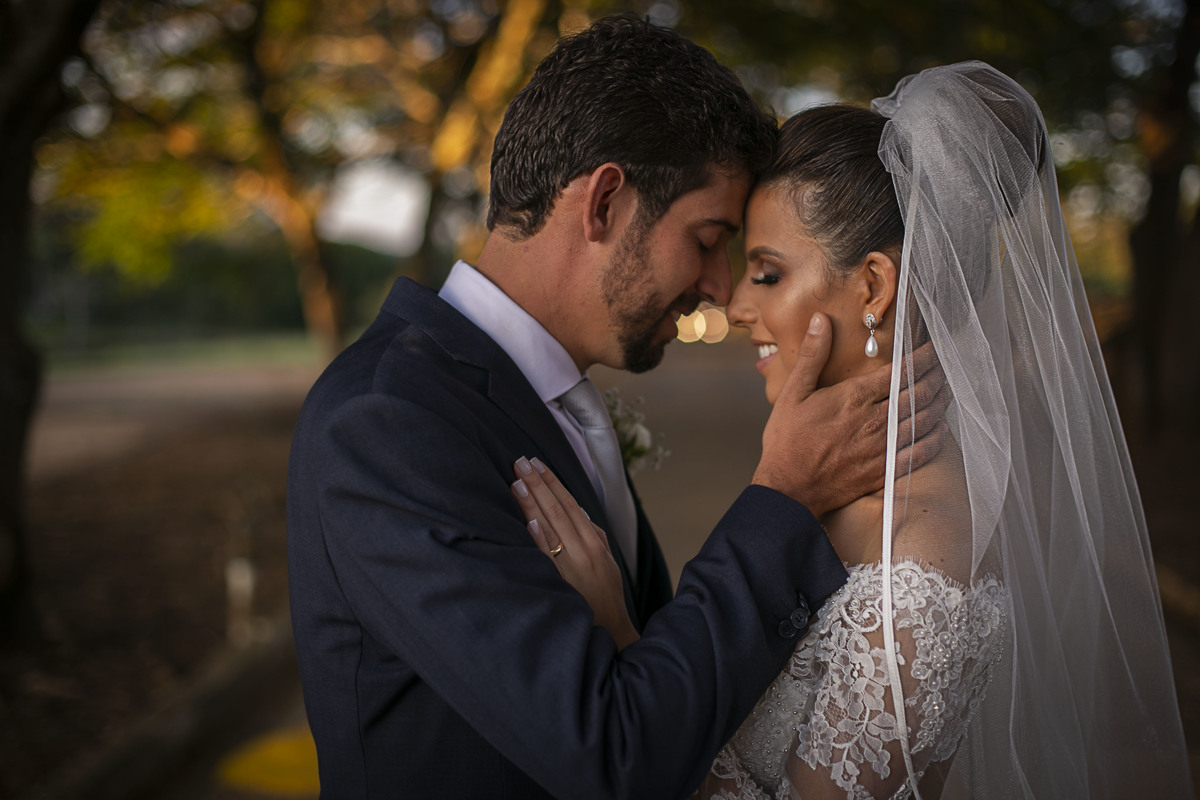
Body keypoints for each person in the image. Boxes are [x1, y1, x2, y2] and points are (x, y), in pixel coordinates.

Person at [287, 15, 943, 799]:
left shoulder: (543, 393)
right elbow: (610, 754)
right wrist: (784, 494)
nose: (719, 288)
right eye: (708, 239)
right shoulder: (387, 422)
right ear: (603, 202)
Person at [517, 62, 1193, 798]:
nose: (735, 305)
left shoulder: (925, 566)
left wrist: (622, 642)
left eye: (767, 273)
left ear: (873, 286)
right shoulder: (826, 482)